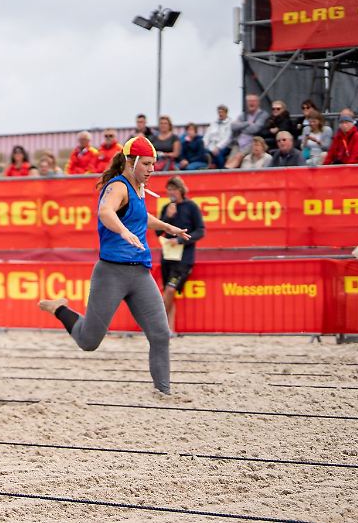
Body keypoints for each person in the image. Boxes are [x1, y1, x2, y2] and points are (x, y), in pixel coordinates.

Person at [36, 136, 187, 395]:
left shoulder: (139, 188)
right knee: (88, 341)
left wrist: (166, 226)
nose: (152, 170)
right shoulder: (118, 186)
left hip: (140, 273)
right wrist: (123, 232)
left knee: (161, 335)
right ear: (132, 162)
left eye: (154, 164)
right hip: (112, 273)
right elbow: (106, 212)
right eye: (147, 164)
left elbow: (139, 216)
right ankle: (59, 307)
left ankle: (163, 394)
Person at [156, 176, 205, 330]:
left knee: (170, 290)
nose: (171, 192)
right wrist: (167, 217)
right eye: (168, 190)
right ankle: (169, 329)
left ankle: (158, 325)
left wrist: (180, 241)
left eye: (173, 189)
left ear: (181, 190)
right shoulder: (167, 208)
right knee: (167, 293)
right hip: (168, 256)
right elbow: (158, 231)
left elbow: (200, 231)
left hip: (184, 258)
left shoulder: (191, 207)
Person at [203, 104, 233, 168]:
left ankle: (222, 171)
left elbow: (227, 138)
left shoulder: (230, 123)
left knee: (218, 155)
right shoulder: (214, 123)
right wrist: (204, 144)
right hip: (212, 146)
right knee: (203, 152)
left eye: (222, 112)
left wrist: (218, 147)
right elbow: (207, 135)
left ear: (226, 113)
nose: (220, 114)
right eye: (219, 112)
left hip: (224, 147)